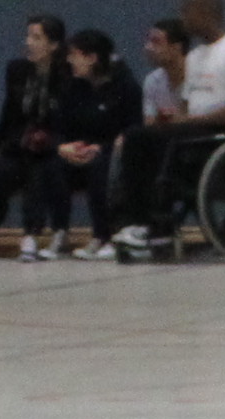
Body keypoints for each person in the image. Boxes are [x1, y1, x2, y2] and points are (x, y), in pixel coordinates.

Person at [113, 0, 225, 260]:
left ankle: (154, 224)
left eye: (186, 13)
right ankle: (138, 222)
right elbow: (186, 104)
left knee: (159, 139)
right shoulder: (195, 57)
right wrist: (176, 119)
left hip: (222, 137)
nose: (183, 20)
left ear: (206, 14)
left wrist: (189, 121)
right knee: (139, 136)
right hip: (193, 132)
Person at [25, 28, 141, 259]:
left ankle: (104, 235)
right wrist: (62, 147)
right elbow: (58, 127)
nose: (69, 60)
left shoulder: (125, 87)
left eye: (74, 55)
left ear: (92, 58)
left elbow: (133, 127)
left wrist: (103, 147)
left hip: (110, 152)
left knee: (102, 167)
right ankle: (57, 231)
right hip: (77, 151)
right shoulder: (72, 87)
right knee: (49, 165)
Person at [0, 12, 71, 257]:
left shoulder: (66, 75)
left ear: (54, 44)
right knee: (3, 168)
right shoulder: (17, 70)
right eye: (28, 36)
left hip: (55, 143)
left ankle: (36, 233)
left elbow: (65, 120)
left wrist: (49, 141)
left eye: (36, 37)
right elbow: (11, 111)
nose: (28, 42)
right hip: (22, 141)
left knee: (40, 169)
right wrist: (1, 140)